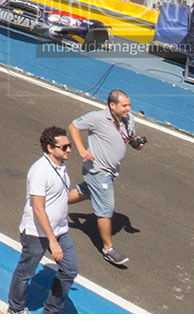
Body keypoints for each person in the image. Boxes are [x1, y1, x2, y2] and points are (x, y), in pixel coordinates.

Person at [7, 126, 83, 314]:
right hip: (37, 233)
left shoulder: (61, 166)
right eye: (64, 147)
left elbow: (60, 197)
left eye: (69, 146)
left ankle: (51, 311)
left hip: (60, 229)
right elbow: (38, 208)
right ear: (50, 148)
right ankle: (15, 309)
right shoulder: (40, 171)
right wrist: (52, 241)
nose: (69, 150)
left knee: (70, 270)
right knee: (25, 273)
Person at [68, 90, 143, 267]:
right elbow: (73, 127)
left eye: (129, 105)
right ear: (112, 105)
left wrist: (137, 143)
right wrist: (81, 150)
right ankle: (108, 249)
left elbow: (129, 138)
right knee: (105, 208)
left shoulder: (129, 119)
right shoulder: (97, 118)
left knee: (86, 191)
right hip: (97, 170)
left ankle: (51, 202)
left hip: (111, 171)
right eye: (124, 106)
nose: (128, 109)